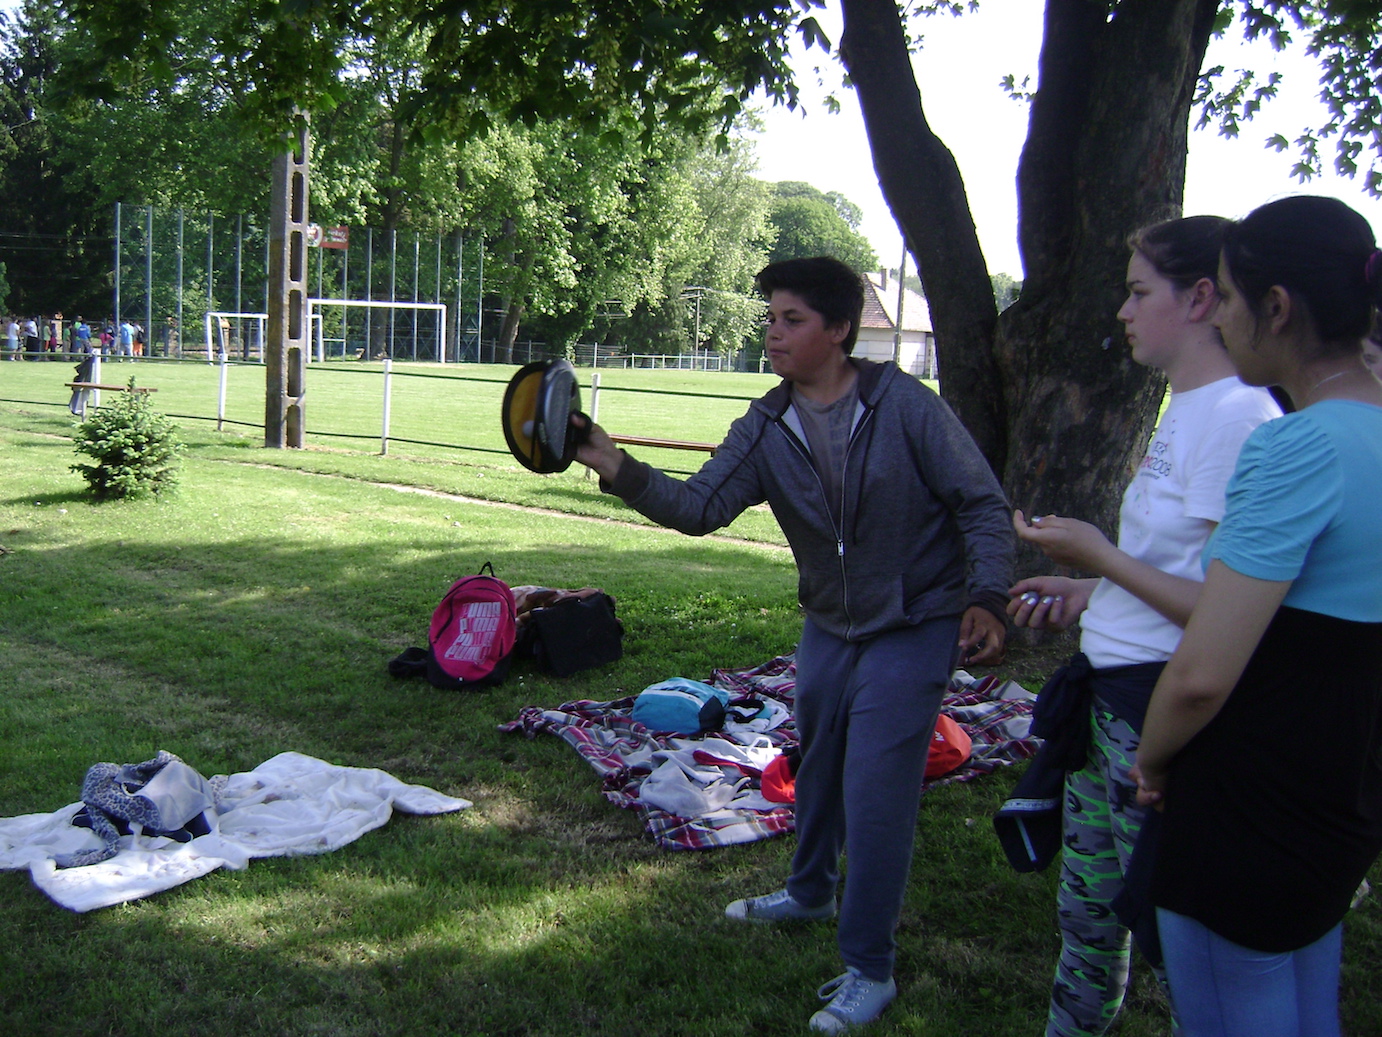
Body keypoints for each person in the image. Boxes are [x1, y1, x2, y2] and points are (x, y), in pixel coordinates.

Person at [572, 256, 1014, 1033]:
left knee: (875, 792)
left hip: (917, 621)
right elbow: (700, 506)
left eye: (792, 319)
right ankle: (810, 892)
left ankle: (870, 967)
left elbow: (980, 502)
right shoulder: (767, 424)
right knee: (819, 761)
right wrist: (612, 462)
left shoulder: (905, 406)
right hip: (831, 625)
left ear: (838, 330)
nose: (773, 333)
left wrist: (987, 596)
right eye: (770, 318)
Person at [1008, 217, 1281, 1036]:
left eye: (1137, 292)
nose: (1123, 312)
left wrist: (1099, 553)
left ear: (1199, 299)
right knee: (1088, 912)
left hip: (1157, 714)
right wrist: (1091, 586)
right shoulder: (1187, 406)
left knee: (1178, 937)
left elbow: (1225, 609)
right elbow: (1182, 568)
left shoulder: (1237, 417)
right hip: (1109, 704)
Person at [1130, 195, 1382, 1037]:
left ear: (1276, 307)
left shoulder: (1295, 446)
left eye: (1230, 298)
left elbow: (1201, 674)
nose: (1220, 317)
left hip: (1252, 800)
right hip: (1344, 786)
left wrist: (1153, 760)